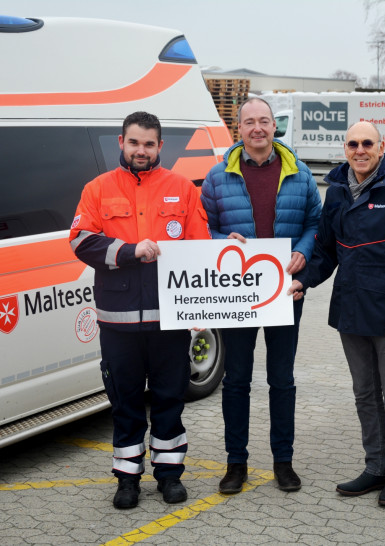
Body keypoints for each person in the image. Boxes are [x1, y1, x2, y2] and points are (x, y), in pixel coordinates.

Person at [69, 111, 210, 509]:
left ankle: (169, 477)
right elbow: (81, 241)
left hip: (170, 321)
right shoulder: (97, 189)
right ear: (121, 143)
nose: (141, 151)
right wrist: (131, 251)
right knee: (126, 402)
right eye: (134, 143)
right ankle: (127, 479)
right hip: (118, 325)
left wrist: (226, 254)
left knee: (169, 399)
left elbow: (199, 247)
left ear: (160, 147)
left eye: (149, 144)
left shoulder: (182, 188)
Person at [289, 121, 385, 507]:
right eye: (353, 143)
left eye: (368, 143)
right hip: (351, 310)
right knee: (364, 394)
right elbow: (325, 250)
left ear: (382, 148)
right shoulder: (336, 190)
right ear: (345, 149)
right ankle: (375, 467)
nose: (360, 149)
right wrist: (304, 281)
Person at [201, 98, 322, 494]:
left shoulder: (299, 173)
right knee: (236, 381)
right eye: (249, 122)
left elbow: (315, 223)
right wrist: (222, 240)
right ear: (239, 129)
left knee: (281, 380)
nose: (257, 128)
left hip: (284, 291)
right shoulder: (218, 177)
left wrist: (303, 249)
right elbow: (203, 228)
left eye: (264, 121)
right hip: (236, 295)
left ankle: (283, 462)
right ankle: (236, 464)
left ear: (275, 127)